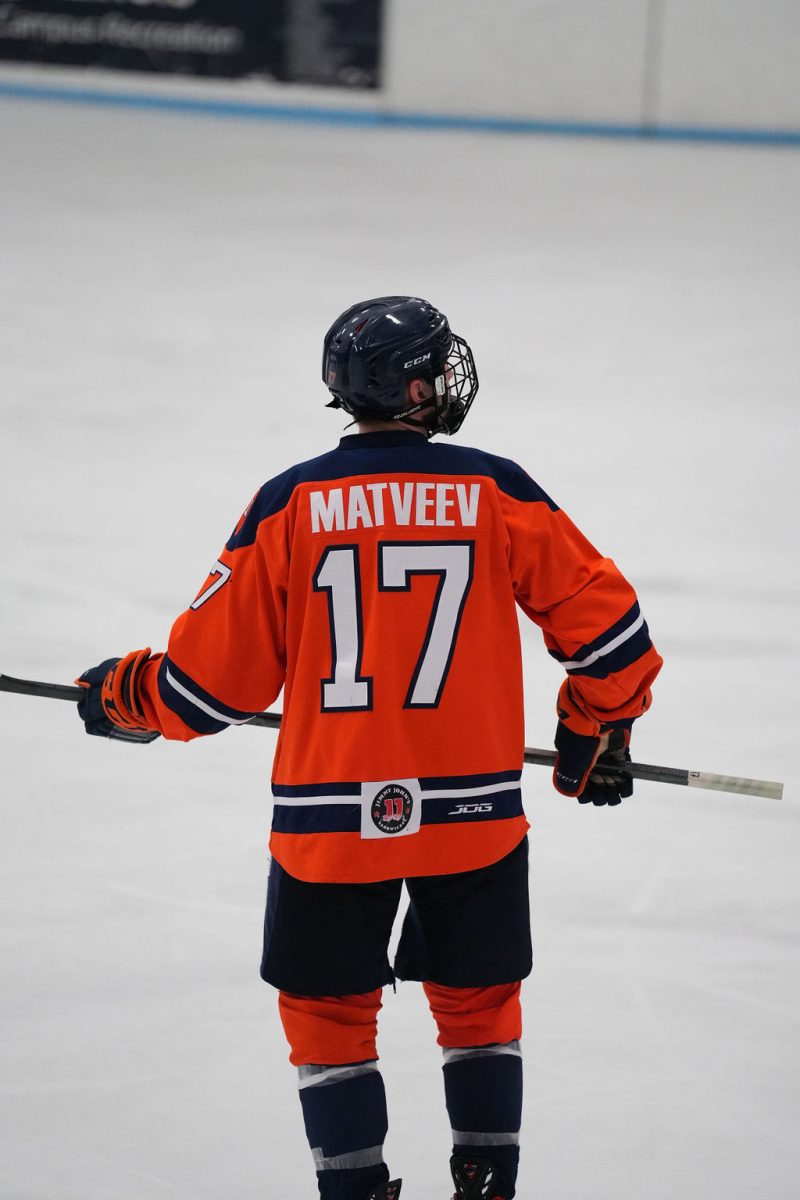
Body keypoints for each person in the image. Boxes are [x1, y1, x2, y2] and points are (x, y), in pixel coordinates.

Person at [76, 296, 662, 1200]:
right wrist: (596, 725)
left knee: (326, 1012)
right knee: (478, 1005)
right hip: (473, 818)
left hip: (331, 819)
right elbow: (612, 636)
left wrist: (128, 695)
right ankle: (486, 1185)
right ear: (419, 387)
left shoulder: (290, 501)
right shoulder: (496, 488)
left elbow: (204, 689)